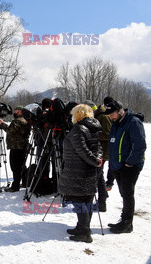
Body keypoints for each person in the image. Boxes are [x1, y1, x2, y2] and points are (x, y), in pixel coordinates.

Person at [58, 104, 103, 243]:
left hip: (78, 170)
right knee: (87, 199)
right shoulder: (92, 128)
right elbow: (99, 147)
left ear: (78, 114)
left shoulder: (79, 129)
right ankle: (82, 227)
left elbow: (81, 150)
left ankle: (84, 232)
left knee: (79, 200)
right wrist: (97, 160)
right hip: (88, 170)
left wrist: (95, 161)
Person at [105, 100, 146, 234]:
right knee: (124, 193)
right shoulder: (116, 123)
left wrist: (130, 162)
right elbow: (113, 144)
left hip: (130, 165)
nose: (111, 117)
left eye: (112, 114)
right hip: (118, 164)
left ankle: (127, 224)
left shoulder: (133, 122)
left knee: (128, 194)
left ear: (120, 110)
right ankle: (124, 220)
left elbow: (140, 145)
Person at [85, 99, 112, 212]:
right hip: (98, 151)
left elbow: (108, 134)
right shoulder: (98, 115)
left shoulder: (103, 117)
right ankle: (102, 202)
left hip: (102, 152)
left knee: (95, 178)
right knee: (100, 177)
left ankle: (94, 204)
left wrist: (93, 136)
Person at [0, 106, 31, 192]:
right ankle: (25, 182)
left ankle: (15, 187)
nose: (14, 113)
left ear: (20, 112)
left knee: (15, 167)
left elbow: (9, 130)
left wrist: (1, 123)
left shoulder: (18, 121)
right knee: (22, 165)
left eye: (16, 111)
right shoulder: (26, 120)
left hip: (16, 147)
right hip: (23, 146)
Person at [101, 96, 115, 191]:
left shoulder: (102, 113)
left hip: (106, 143)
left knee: (107, 163)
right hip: (107, 143)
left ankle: (108, 182)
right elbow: (107, 131)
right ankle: (107, 183)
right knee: (107, 163)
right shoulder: (105, 116)